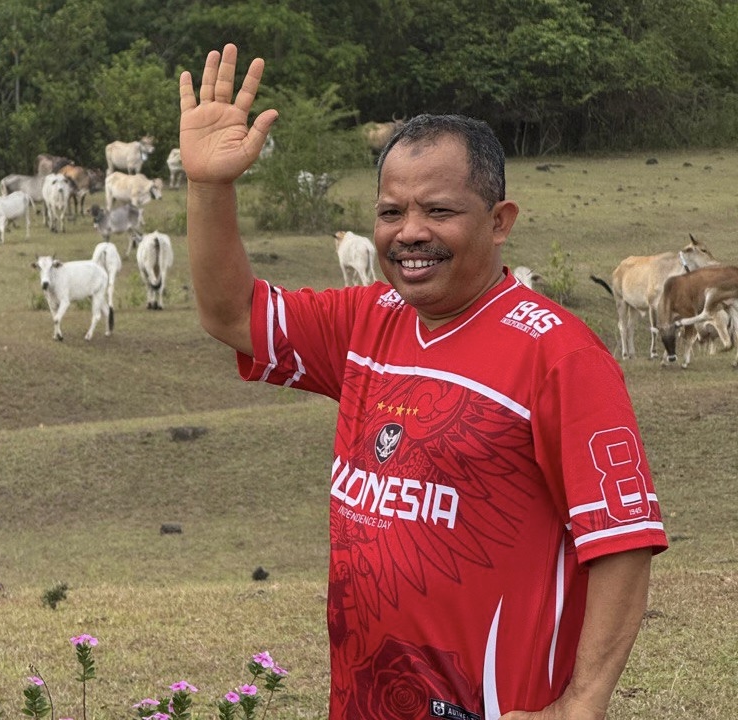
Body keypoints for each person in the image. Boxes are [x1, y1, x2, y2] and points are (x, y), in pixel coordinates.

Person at [178, 44, 668, 720]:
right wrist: (210, 184)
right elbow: (230, 313)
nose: (409, 233)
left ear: (499, 223)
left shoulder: (558, 354)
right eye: (390, 213)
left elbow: (623, 540)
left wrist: (581, 705)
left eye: (438, 212)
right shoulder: (366, 320)